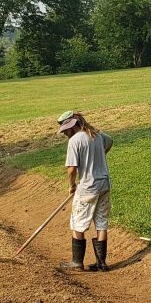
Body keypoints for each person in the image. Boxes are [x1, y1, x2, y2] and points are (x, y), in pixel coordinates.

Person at [57, 110, 113, 271]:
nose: (65, 133)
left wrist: (72, 185)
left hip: (87, 187)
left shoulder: (75, 140)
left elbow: (71, 169)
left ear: (72, 126)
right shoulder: (97, 135)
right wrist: (98, 157)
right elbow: (110, 141)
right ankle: (101, 263)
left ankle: (77, 262)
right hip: (104, 184)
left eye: (65, 130)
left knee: (77, 223)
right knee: (101, 223)